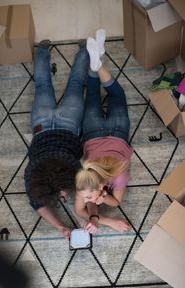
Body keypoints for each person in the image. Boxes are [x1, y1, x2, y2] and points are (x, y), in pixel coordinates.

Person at [24, 39, 89, 239]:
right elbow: (38, 202)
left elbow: (39, 205)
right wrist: (61, 188)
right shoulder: (31, 172)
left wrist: (62, 227)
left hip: (69, 126)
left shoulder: (73, 165)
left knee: (76, 85)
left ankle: (85, 49)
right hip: (41, 126)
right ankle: (42, 50)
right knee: (42, 85)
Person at [74, 33, 133, 234]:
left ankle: (97, 63)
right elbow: (113, 203)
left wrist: (98, 211)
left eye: (87, 197)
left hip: (118, 130)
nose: (86, 199)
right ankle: (96, 62)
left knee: (117, 95)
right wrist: (101, 207)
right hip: (93, 131)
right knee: (92, 95)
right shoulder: (86, 174)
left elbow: (113, 202)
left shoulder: (118, 176)